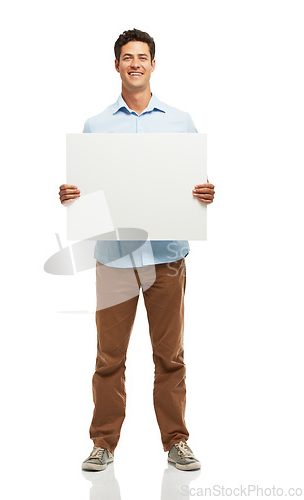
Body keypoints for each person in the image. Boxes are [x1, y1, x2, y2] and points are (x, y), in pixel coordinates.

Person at [59, 28, 215, 471]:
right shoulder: (96, 125)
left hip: (166, 257)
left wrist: (204, 193)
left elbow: (193, 185)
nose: (135, 64)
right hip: (114, 260)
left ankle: (176, 441)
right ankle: (103, 442)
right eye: (127, 57)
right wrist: (73, 196)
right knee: (109, 357)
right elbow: (87, 195)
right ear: (116, 65)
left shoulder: (180, 121)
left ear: (152, 64)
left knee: (170, 357)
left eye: (142, 57)